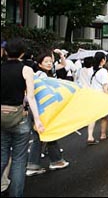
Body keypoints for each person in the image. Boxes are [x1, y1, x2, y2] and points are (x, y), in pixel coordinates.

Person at [1, 38, 44, 197]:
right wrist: (38, 121)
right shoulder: (26, 70)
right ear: (23, 53)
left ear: (5, 52)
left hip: (1, 118)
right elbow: (31, 97)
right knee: (19, 160)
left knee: (2, 156)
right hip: (19, 117)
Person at [26, 51, 70, 176]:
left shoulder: (47, 73)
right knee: (43, 136)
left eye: (50, 61)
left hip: (42, 109)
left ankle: (44, 163)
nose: (50, 64)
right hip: (40, 110)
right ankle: (50, 162)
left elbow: (63, 64)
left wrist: (61, 55)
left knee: (44, 136)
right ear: (39, 63)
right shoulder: (40, 75)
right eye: (46, 62)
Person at [87, 52, 108, 145]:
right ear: (102, 60)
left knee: (92, 117)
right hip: (101, 96)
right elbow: (105, 87)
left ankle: (90, 136)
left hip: (92, 95)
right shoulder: (103, 71)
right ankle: (103, 135)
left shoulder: (90, 70)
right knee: (104, 117)